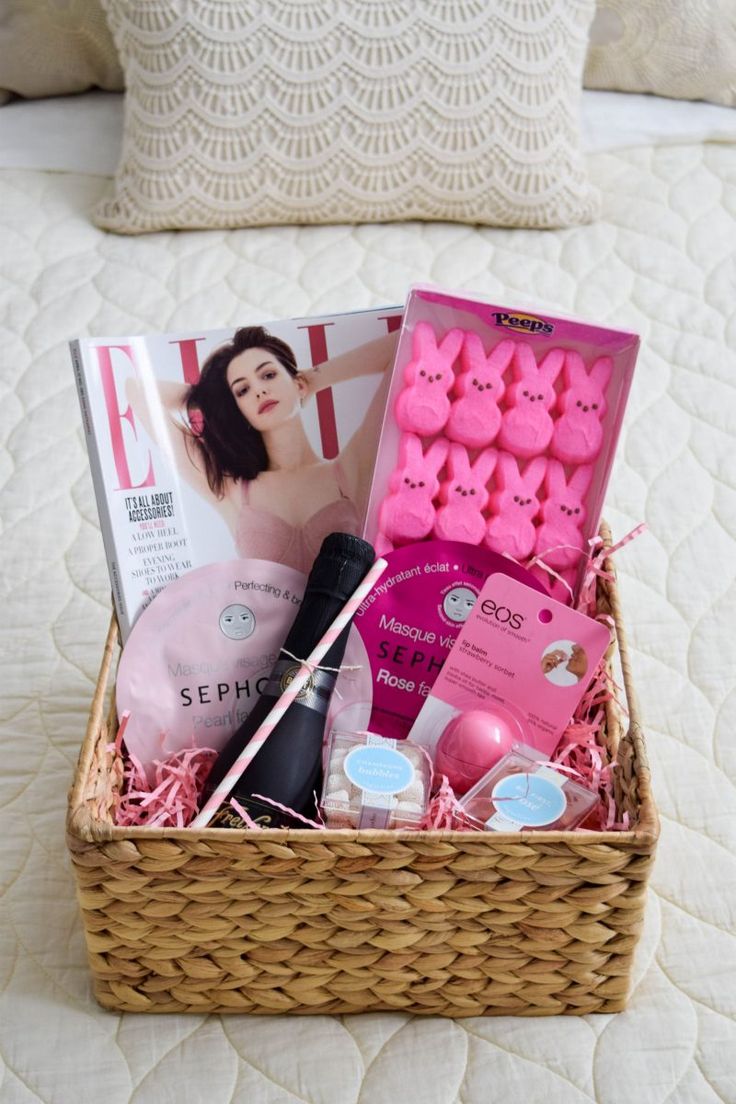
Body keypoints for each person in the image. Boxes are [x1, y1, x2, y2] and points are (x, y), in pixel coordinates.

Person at [127, 325, 399, 574]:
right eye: (242, 390)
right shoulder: (231, 490)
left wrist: (312, 380)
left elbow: (405, 342)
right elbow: (137, 390)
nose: (258, 390)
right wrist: (212, 398)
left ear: (298, 384)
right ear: (238, 409)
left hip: (352, 624)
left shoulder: (350, 470)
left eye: (268, 375)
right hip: (265, 628)